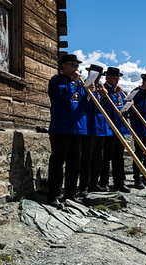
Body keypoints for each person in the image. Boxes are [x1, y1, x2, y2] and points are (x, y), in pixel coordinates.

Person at [47, 54, 88, 209]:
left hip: (77, 129)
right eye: (73, 65)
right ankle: (53, 195)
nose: (76, 68)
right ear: (63, 65)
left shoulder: (78, 85)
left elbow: (86, 105)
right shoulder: (56, 81)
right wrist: (74, 82)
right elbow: (64, 96)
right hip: (61, 128)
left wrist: (90, 93)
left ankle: (70, 194)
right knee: (57, 163)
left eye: (77, 66)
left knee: (74, 164)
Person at [78, 64, 111, 196]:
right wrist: (89, 94)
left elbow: (107, 108)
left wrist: (104, 95)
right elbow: (84, 105)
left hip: (100, 127)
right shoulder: (84, 86)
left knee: (98, 157)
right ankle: (84, 186)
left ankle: (94, 183)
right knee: (87, 158)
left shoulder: (99, 88)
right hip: (90, 127)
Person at [98, 67, 130, 193]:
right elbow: (106, 107)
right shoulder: (104, 90)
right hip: (109, 128)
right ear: (107, 78)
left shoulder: (119, 91)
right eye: (113, 78)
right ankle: (103, 182)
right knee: (106, 157)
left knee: (118, 157)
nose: (116, 81)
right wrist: (115, 94)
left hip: (119, 127)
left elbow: (122, 107)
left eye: (117, 79)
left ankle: (119, 182)